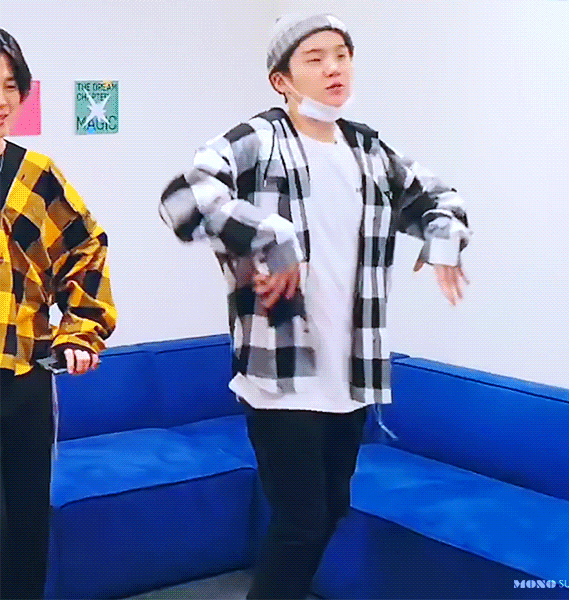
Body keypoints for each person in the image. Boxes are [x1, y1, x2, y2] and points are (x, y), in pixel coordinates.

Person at [160, 12, 472, 600]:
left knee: (329, 512)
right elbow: (182, 199)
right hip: (281, 376)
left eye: (342, 55)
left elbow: (440, 199)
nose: (334, 68)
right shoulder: (258, 140)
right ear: (282, 80)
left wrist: (443, 242)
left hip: (349, 376)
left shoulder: (369, 151)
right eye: (315, 58)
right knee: (300, 523)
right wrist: (270, 236)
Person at [0, 29, 117, 600]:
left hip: (21, 379)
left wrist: (80, 331)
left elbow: (85, 250)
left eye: (9, 86)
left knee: (25, 522)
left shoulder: (38, 175)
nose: (1, 99)